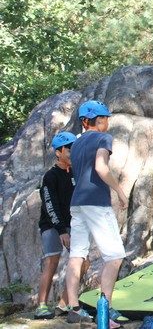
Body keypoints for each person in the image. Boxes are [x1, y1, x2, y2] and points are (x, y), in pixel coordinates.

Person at [65, 100, 128, 327]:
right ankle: (106, 308)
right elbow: (101, 167)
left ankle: (74, 309)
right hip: (96, 203)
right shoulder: (103, 138)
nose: (108, 122)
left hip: (77, 203)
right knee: (114, 256)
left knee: (77, 255)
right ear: (98, 120)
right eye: (105, 118)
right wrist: (120, 191)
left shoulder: (77, 143)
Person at [34, 131, 77, 319]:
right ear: (59, 152)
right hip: (52, 225)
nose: (72, 153)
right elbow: (50, 205)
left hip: (71, 224)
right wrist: (61, 230)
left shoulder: (75, 173)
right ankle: (41, 305)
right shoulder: (50, 176)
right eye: (69, 149)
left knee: (82, 261)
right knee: (52, 261)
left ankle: (63, 303)